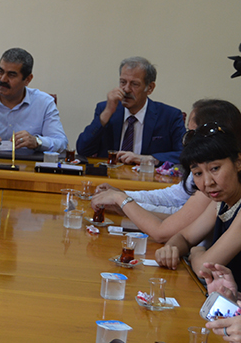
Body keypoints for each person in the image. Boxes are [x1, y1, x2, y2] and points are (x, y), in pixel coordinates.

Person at [90, 100, 241, 243]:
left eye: (192, 133)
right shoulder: (204, 172)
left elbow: (164, 231)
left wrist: (122, 201)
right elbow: (173, 199)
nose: (188, 142)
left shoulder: (216, 187)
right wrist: (124, 198)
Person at [154, 122, 241, 288]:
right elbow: (184, 237)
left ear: (238, 162)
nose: (208, 182)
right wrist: (170, 249)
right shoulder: (222, 202)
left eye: (215, 168)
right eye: (198, 173)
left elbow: (204, 268)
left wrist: (196, 252)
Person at [76, 56, 185, 165]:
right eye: (123, 82)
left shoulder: (170, 116)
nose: (126, 89)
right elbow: (83, 150)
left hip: (146, 175)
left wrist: (147, 159)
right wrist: (106, 113)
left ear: (150, 88)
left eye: (134, 84)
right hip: (110, 174)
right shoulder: (105, 110)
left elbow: (184, 155)